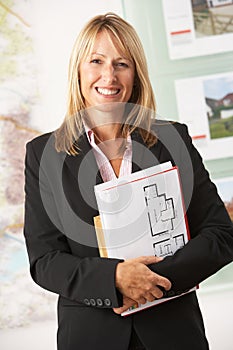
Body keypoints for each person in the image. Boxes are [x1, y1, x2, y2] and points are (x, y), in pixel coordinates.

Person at [24, 13, 233, 350]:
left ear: (136, 75)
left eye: (122, 63)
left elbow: (221, 235)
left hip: (174, 335)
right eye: (96, 61)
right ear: (78, 71)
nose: (109, 76)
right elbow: (44, 260)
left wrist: (152, 281)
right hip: (91, 337)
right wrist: (115, 279)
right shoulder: (43, 155)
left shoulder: (172, 139)